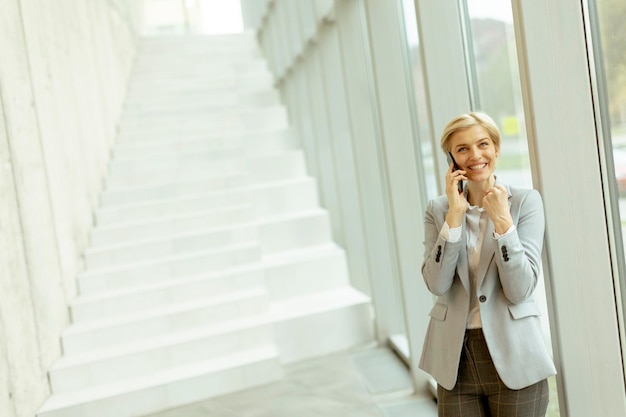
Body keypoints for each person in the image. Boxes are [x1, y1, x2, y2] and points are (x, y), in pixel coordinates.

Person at [418, 112, 557, 417]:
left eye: (483, 144)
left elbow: (521, 289)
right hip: (456, 358)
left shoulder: (525, 202)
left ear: (496, 148)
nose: (475, 155)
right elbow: (436, 283)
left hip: (515, 354)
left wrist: (503, 223)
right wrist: (454, 218)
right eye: (463, 149)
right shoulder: (438, 210)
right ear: (451, 159)